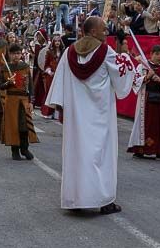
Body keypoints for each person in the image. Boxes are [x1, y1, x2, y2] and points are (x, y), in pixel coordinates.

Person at [45, 15, 140, 215]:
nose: (106, 32)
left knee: (77, 155)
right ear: (93, 31)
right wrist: (125, 54)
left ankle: (76, 200)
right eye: (103, 29)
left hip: (76, 116)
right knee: (101, 155)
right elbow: (122, 76)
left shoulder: (69, 52)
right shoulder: (106, 52)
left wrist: (60, 106)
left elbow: (60, 81)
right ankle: (104, 201)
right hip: (100, 114)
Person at [127, 43, 160, 160]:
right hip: (145, 102)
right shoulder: (142, 66)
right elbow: (134, 81)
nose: (159, 57)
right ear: (151, 54)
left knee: (159, 126)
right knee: (145, 125)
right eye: (157, 54)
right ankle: (140, 150)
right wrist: (147, 77)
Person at [0, 43, 38, 160]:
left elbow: (30, 85)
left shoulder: (25, 67)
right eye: (14, 54)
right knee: (13, 126)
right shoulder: (4, 68)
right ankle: (15, 150)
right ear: (9, 55)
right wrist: (8, 83)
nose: (16, 56)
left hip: (24, 100)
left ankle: (24, 149)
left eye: (18, 53)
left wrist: (31, 101)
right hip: (11, 100)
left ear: (21, 54)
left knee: (24, 125)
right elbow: (0, 86)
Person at [34, 35, 63, 116]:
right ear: (53, 42)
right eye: (56, 41)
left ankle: (57, 113)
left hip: (60, 75)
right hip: (50, 76)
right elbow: (46, 65)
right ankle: (48, 111)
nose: (57, 42)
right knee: (50, 92)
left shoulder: (63, 52)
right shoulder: (49, 52)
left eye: (59, 41)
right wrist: (49, 72)